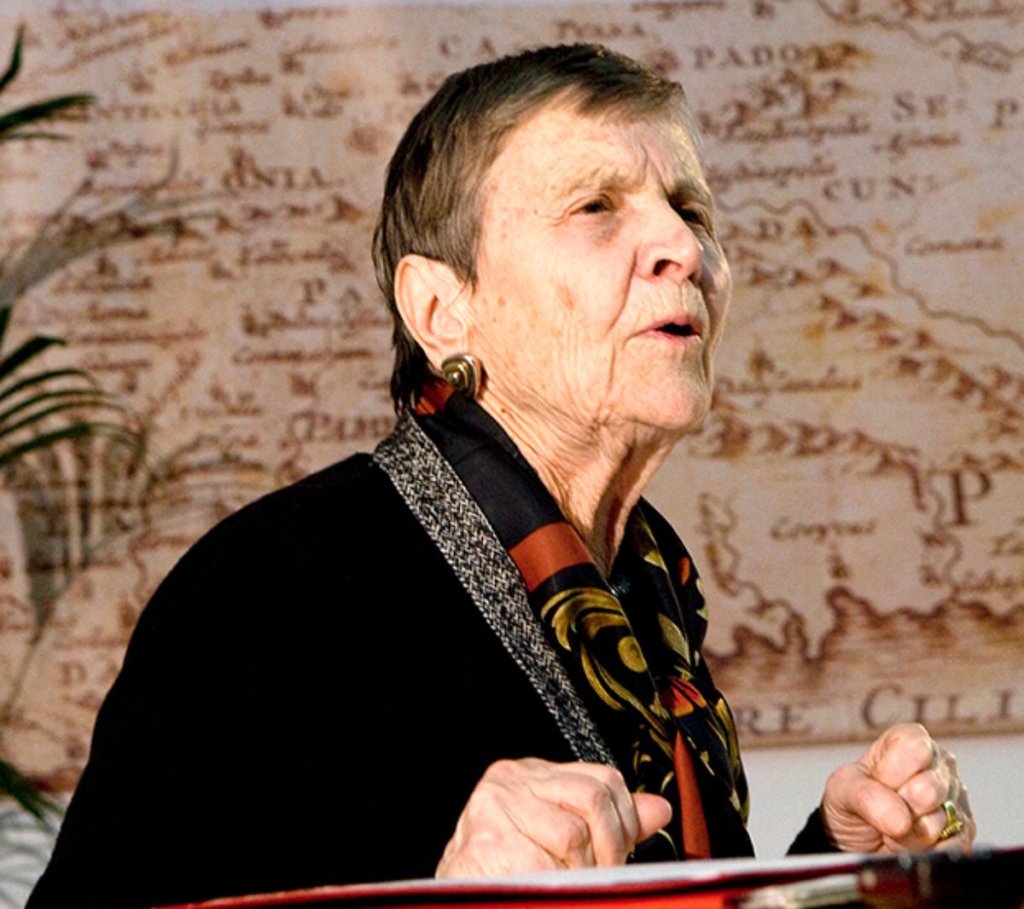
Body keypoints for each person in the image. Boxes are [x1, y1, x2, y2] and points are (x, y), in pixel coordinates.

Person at [28, 43, 974, 909]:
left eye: (691, 210)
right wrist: (451, 902)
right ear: (443, 310)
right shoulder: (266, 589)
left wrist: (841, 866)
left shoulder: (645, 591)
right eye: (596, 208)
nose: (684, 249)